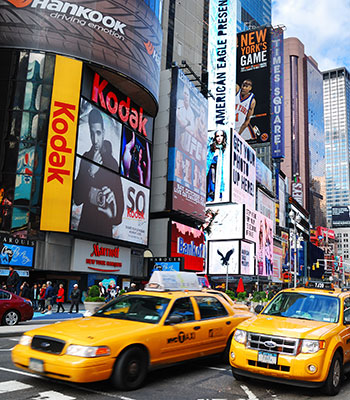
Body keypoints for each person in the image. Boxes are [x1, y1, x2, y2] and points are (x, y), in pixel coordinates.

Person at [73, 108, 124, 238]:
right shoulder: (85, 158)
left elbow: (118, 217)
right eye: (92, 134)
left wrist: (113, 207)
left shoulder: (112, 163)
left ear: (104, 133)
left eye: (98, 133)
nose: (95, 140)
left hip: (105, 231)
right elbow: (77, 199)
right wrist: (91, 173)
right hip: (85, 228)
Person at [206, 130, 227, 202]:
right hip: (210, 174)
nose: (219, 138)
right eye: (217, 136)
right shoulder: (210, 149)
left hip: (220, 175)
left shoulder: (225, 149)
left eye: (221, 136)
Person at [176, 84, 195, 152]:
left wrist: (184, 124)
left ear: (189, 96)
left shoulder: (191, 113)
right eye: (184, 93)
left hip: (185, 143)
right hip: (176, 135)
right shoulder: (179, 102)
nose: (186, 96)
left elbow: (192, 131)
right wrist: (187, 123)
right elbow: (177, 116)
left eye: (187, 94)